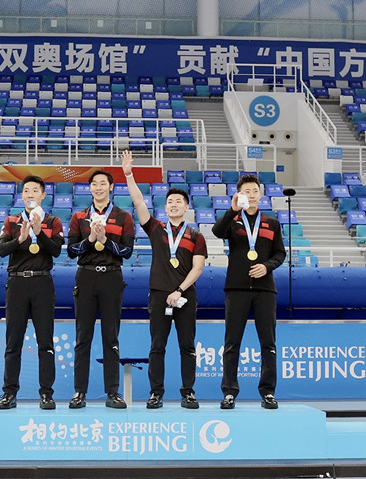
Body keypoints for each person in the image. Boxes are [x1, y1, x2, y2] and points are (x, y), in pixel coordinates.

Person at [122, 151, 207, 409]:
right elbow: (138, 202)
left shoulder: (196, 236)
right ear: (165, 207)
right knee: (157, 346)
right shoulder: (156, 229)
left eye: (179, 201)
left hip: (185, 296)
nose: (174, 204)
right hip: (159, 295)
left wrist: (179, 290)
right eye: (170, 201)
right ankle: (155, 393)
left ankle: (188, 392)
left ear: (186, 207)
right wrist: (129, 174)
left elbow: (198, 269)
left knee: (187, 347)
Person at [212, 173, 286, 409]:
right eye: (246, 191)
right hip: (237, 289)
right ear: (239, 194)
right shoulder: (233, 220)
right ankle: (229, 391)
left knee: (268, 343)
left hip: (265, 290)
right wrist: (232, 210)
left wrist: (267, 266)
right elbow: (216, 232)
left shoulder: (272, 223)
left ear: (261, 194)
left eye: (255, 191)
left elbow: (280, 254)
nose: (251, 195)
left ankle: (268, 392)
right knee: (232, 342)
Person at [0, 175, 65, 410]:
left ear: (43, 195)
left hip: (42, 284)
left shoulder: (53, 221)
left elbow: (56, 251)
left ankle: (46, 394)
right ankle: (9, 393)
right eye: (26, 190)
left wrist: (39, 233)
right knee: (13, 343)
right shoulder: (12, 220)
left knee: (45, 343)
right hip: (17, 284)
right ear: (22, 195)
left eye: (35, 190)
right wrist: (21, 239)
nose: (30, 194)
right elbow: (2, 250)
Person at [67, 168, 135, 409]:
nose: (98, 187)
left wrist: (105, 241)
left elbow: (127, 252)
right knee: (82, 337)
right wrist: (90, 241)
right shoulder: (79, 217)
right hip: (85, 277)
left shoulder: (124, 217)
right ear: (90, 188)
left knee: (111, 337)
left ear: (111, 187)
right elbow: (71, 251)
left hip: (112, 277)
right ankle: (79, 392)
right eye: (94, 184)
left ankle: (113, 392)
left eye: (103, 183)